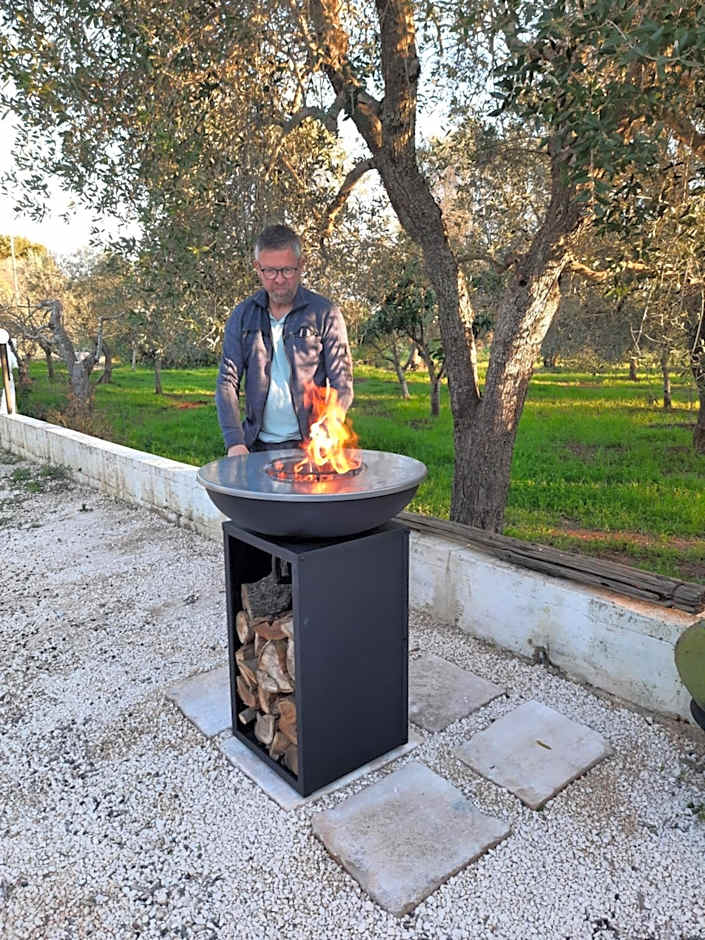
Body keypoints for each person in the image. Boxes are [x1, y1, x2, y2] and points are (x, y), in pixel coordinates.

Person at [216, 224, 353, 456]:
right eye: (270, 271)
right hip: (255, 447)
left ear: (301, 265)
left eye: (287, 270)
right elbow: (227, 380)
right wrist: (234, 442)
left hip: (311, 447)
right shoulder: (242, 315)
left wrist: (330, 425)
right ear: (257, 268)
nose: (279, 279)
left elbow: (342, 382)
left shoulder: (325, 313)